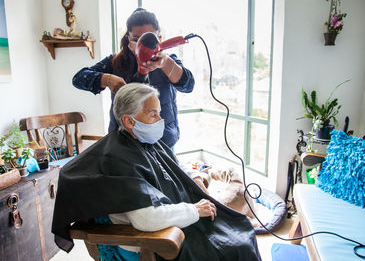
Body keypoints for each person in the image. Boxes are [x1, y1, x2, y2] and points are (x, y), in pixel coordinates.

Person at [52, 83, 261, 261]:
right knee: (235, 248)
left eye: (159, 113)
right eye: (153, 114)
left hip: (174, 221)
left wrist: (194, 176)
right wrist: (195, 210)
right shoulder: (118, 159)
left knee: (240, 228)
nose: (160, 120)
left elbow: (171, 166)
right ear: (129, 120)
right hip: (152, 239)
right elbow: (146, 220)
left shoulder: (145, 139)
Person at [72, 8, 195, 148]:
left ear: (159, 39)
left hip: (162, 142)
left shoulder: (169, 61)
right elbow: (78, 79)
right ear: (128, 39)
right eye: (137, 40)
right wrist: (107, 79)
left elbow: (189, 85)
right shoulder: (114, 62)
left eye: (148, 39)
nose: (142, 46)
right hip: (124, 143)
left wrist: (166, 64)